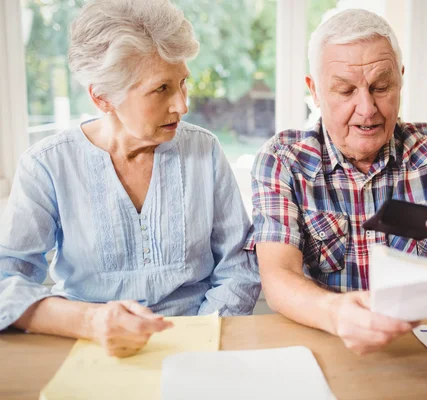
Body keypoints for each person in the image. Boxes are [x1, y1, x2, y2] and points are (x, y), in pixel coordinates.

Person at [245, 9, 427, 355]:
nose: (367, 109)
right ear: (314, 91)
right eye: (345, 90)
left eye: (381, 87)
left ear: (400, 80)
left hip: (414, 346)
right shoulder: (282, 159)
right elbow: (277, 277)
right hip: (325, 340)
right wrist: (336, 313)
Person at [0, 0, 260, 357]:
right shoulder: (47, 165)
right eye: (161, 89)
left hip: (200, 344)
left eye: (182, 83)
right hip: (89, 348)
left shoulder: (205, 151)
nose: (182, 105)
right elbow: (5, 281)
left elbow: (238, 269)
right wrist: (90, 322)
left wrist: (198, 342)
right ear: (103, 97)